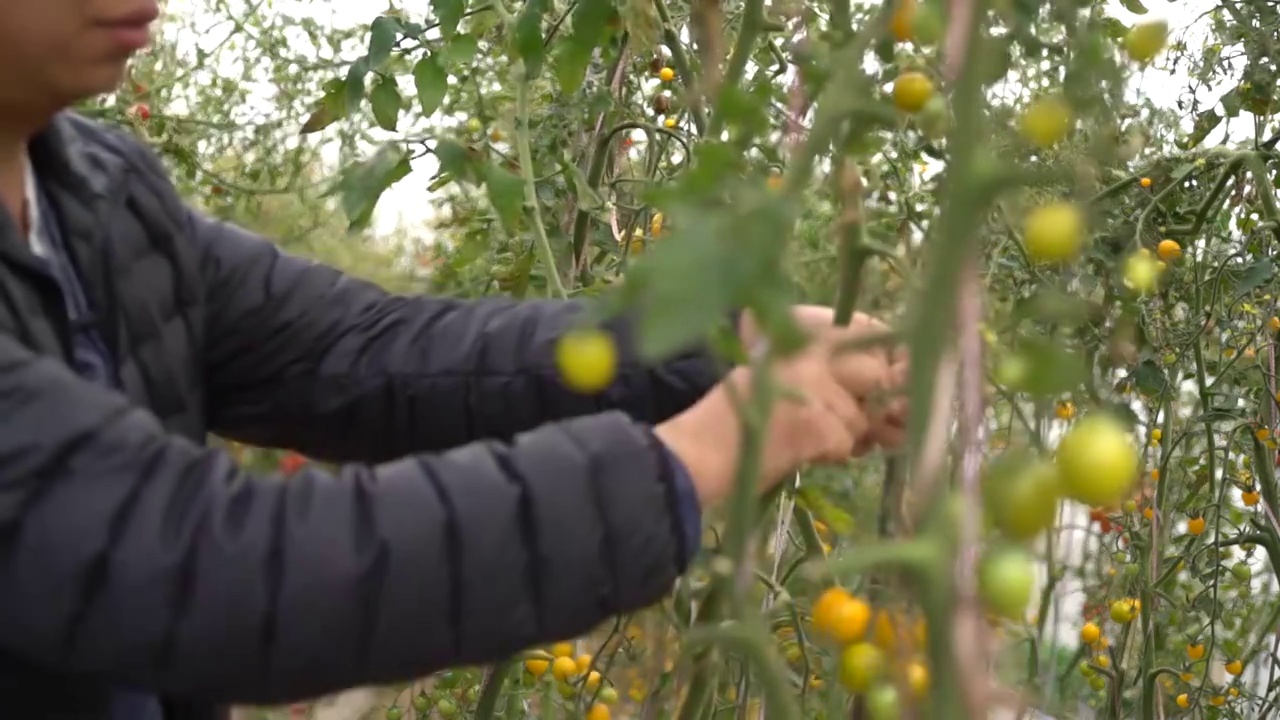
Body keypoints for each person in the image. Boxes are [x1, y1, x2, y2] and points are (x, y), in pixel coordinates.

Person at [0, 2, 909, 720]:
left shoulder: (99, 193)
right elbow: (215, 571)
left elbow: (370, 353)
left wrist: (722, 349)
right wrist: (706, 449)